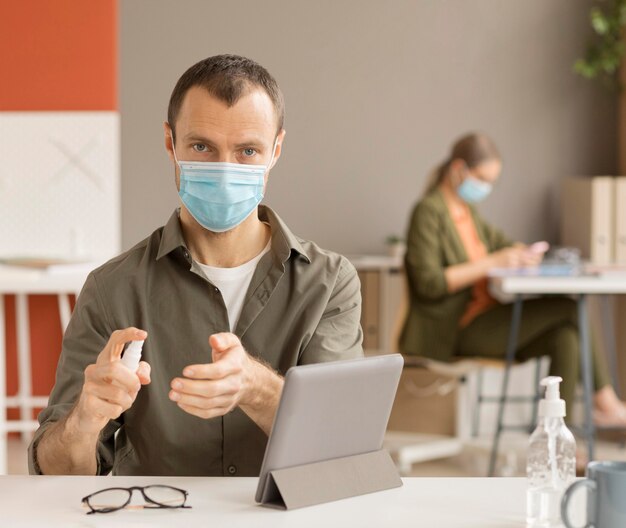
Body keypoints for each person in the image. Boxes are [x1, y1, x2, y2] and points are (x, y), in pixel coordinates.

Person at [28, 55, 363, 476]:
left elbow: (343, 452)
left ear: (275, 150)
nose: (225, 172)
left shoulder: (329, 283)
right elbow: (55, 477)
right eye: (202, 147)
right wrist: (83, 422)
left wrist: (256, 388)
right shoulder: (112, 288)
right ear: (171, 143)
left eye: (247, 151)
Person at [399, 132, 626, 425]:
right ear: (458, 170)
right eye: (482, 178)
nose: (486, 187)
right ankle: (606, 403)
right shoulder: (428, 212)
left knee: (566, 337)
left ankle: (559, 441)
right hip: (455, 329)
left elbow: (502, 244)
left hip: (486, 319)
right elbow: (429, 284)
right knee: (570, 308)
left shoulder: (468, 213)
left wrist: (525, 253)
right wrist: (492, 262)